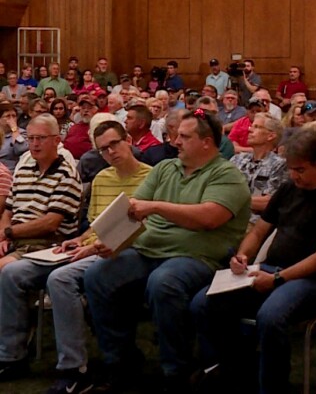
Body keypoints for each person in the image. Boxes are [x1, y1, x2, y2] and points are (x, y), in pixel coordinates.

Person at [82, 110, 251, 391]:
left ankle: (176, 371)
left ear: (207, 142)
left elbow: (209, 218)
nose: (175, 142)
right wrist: (111, 241)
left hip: (197, 257)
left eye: (184, 136)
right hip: (148, 251)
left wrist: (157, 207)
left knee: (164, 283)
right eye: (176, 135)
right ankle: (120, 363)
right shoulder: (165, 169)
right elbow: (133, 211)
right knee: (98, 275)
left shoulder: (228, 175)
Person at [190, 128, 316, 393]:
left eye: (300, 170)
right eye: (291, 169)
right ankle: (229, 369)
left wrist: (277, 278)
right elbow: (258, 231)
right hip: (271, 269)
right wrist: (243, 256)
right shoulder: (289, 188)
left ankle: (272, 386)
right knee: (202, 302)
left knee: (270, 316)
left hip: (314, 280)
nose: (294, 175)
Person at [0, 120, 151, 392]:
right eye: (103, 149)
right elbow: (95, 225)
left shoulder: (150, 177)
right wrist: (80, 240)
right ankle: (12, 356)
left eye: (114, 144)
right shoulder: (102, 178)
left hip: (121, 248)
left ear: (128, 141)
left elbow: (144, 226)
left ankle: (74, 368)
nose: (110, 152)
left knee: (60, 279)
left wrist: (90, 246)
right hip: (83, 248)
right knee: (11, 273)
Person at [0, 115, 82, 271]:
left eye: (41, 138)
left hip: (45, 245)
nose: (35, 144)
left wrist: (9, 232)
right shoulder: (23, 170)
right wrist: (4, 237)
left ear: (56, 140)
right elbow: (8, 212)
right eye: (30, 138)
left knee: (7, 270)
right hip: (14, 240)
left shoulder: (66, 174)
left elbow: (50, 223)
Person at [230, 113, 288, 226]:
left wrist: (228, 200)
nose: (250, 130)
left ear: (270, 136)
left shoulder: (280, 165)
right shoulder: (237, 159)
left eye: (256, 127)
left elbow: (269, 202)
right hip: (226, 217)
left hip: (255, 223)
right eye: (251, 126)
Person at [0, 103, 27, 170]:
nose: (12, 119)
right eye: (8, 116)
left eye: (14, 116)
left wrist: (14, 129)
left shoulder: (22, 133)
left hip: (10, 170)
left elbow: (20, 149)